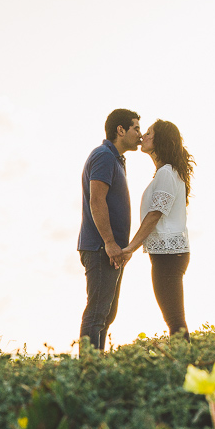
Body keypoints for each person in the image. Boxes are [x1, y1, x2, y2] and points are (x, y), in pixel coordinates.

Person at [120, 120, 194, 340]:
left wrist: (131, 247)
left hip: (169, 256)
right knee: (174, 319)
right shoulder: (167, 172)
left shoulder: (166, 172)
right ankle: (183, 365)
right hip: (169, 254)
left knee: (175, 320)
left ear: (160, 140)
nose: (143, 136)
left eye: (149, 133)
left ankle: (183, 367)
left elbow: (155, 214)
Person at [77, 109, 141, 351]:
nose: (140, 134)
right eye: (136, 128)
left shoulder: (115, 160)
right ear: (120, 130)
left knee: (106, 314)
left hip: (111, 250)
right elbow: (96, 200)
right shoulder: (103, 155)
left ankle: (98, 368)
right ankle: (90, 373)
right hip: (100, 247)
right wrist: (110, 242)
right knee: (97, 314)